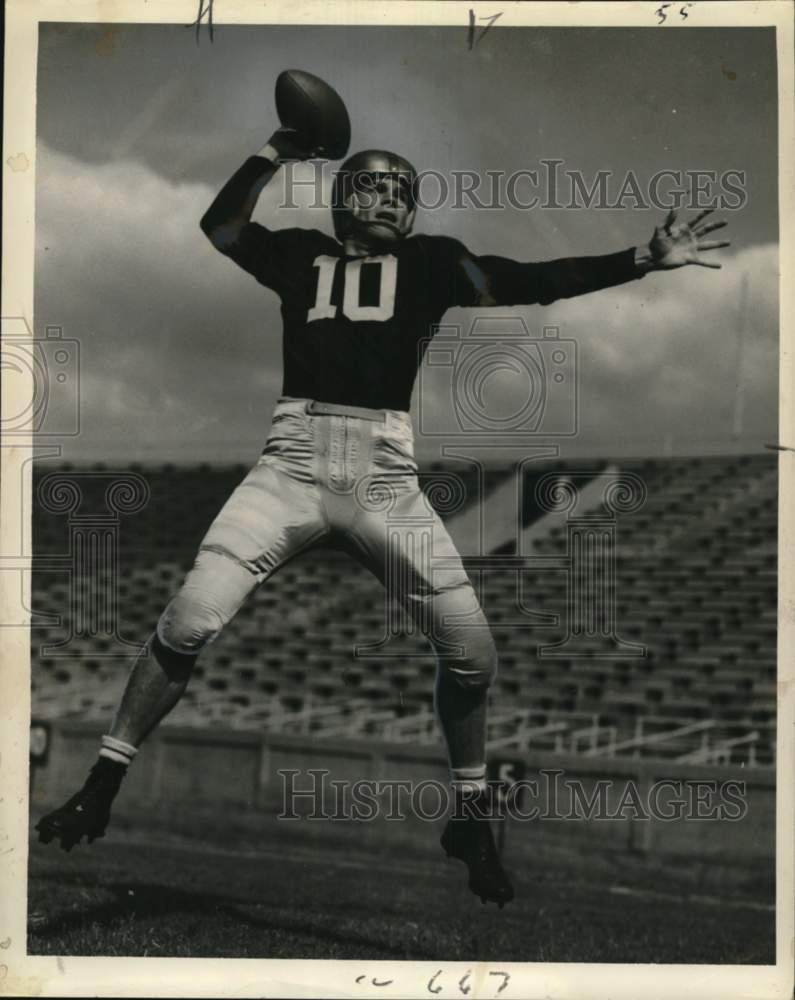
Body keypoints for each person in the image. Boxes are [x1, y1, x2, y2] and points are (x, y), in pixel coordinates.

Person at [36, 125, 729, 907]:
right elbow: (221, 227)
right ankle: (101, 783)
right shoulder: (299, 255)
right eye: (370, 184)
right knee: (191, 617)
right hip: (292, 462)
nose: (385, 198)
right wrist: (273, 151)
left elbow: (528, 278)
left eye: (399, 189)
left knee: (472, 652)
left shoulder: (431, 263)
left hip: (383, 475)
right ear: (339, 200)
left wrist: (638, 260)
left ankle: (469, 815)